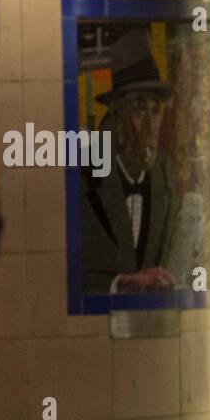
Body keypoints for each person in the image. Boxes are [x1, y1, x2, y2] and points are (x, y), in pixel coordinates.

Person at [81, 27, 179, 296]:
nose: (150, 125)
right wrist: (120, 285)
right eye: (138, 109)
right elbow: (66, 275)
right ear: (117, 117)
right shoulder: (85, 179)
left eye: (154, 111)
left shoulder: (167, 179)